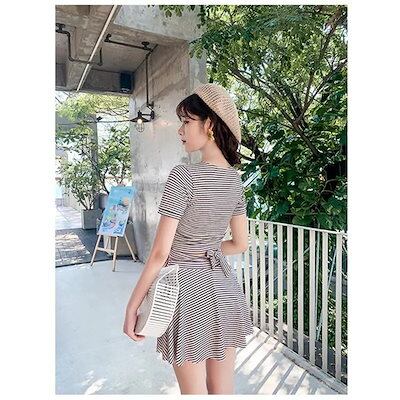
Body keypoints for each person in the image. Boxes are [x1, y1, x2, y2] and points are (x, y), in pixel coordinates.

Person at [123, 83, 253, 394]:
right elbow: (240, 244)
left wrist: (132, 306)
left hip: (188, 294)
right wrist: (205, 248)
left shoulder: (184, 175)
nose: (180, 130)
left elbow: (160, 253)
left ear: (209, 125)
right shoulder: (234, 181)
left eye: (186, 121)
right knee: (222, 390)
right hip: (225, 290)